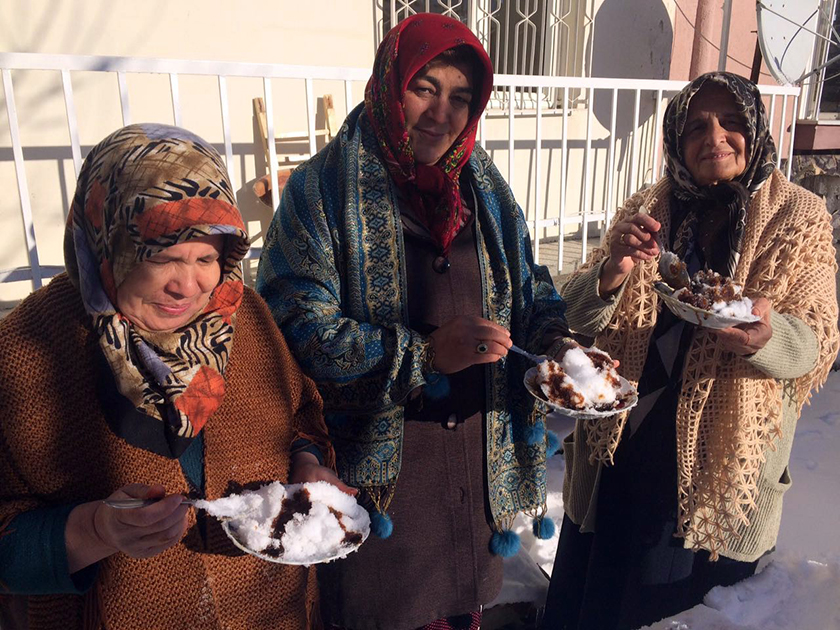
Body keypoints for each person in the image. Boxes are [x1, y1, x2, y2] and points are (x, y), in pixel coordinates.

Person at [256, 13, 573, 630]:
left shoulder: (485, 190)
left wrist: (556, 341)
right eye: (424, 88)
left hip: (475, 469)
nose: (441, 113)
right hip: (382, 487)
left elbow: (530, 287)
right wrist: (421, 356)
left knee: (463, 607)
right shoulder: (323, 190)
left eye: (461, 97)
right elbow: (293, 328)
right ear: (389, 83)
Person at [0, 123, 349, 630]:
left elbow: (300, 415)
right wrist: (97, 530)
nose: (189, 284)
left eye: (207, 257)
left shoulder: (242, 316)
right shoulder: (29, 352)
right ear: (107, 246)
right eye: (162, 256)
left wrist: (307, 463)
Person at [542, 72, 840, 630]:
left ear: (755, 129)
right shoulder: (648, 206)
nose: (715, 137)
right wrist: (611, 271)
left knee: (672, 614)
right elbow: (576, 316)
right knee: (593, 607)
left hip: (714, 473)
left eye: (731, 122)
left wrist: (768, 339)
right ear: (677, 140)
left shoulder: (795, 217)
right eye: (697, 126)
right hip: (619, 452)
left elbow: (817, 340)